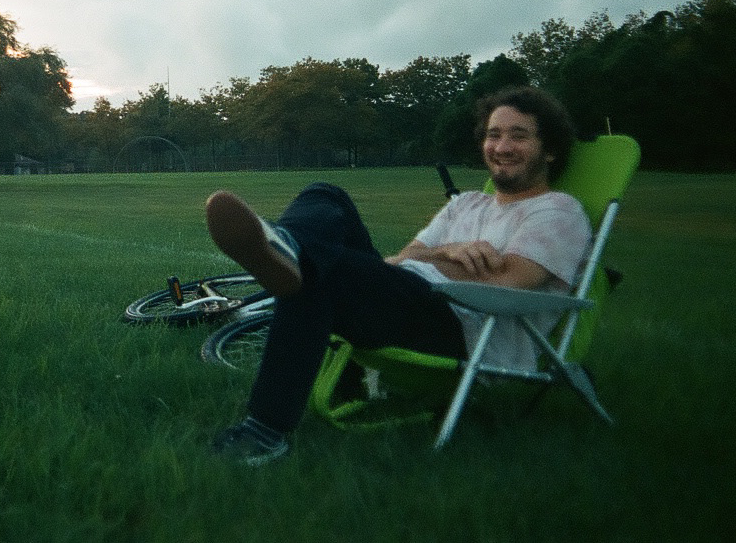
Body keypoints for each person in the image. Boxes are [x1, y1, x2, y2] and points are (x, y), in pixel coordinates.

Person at [203, 86, 590, 464]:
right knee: (327, 194)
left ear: (550, 149)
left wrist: (432, 262)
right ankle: (288, 247)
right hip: (408, 296)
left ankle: (265, 430)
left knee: (323, 269)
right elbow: (405, 257)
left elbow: (512, 282)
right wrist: (448, 250)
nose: (502, 147)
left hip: (462, 328)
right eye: (494, 135)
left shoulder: (557, 211)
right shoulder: (468, 204)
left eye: (518, 136)